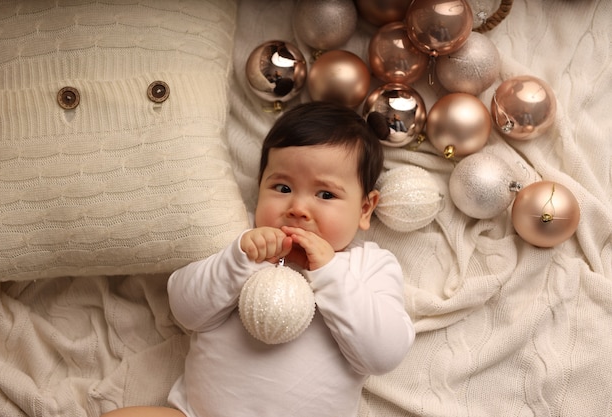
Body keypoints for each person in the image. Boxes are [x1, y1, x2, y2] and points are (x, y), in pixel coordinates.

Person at [102, 101, 415, 417]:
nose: (297, 208)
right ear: (260, 186)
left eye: (325, 195)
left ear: (365, 209)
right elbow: (185, 310)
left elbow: (383, 355)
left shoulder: (367, 266)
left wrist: (330, 272)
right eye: (282, 187)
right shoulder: (241, 242)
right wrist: (239, 259)